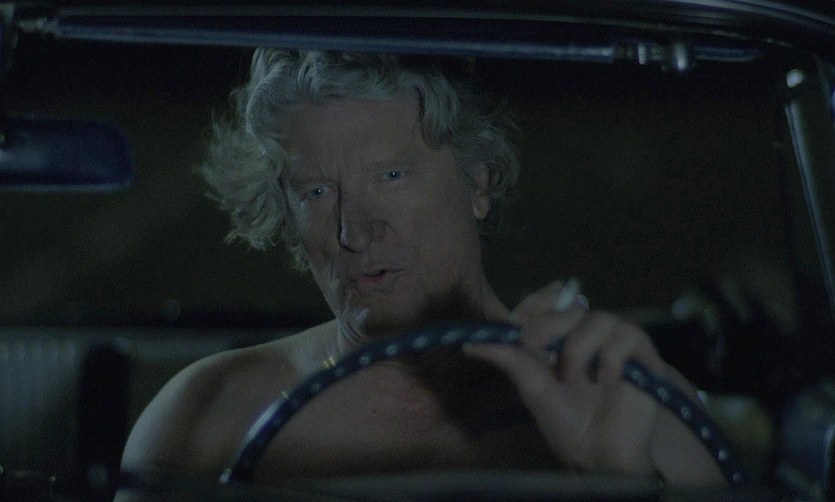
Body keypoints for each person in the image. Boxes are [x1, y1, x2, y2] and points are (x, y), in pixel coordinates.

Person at [120, 49, 725, 490]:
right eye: (316, 193)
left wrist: (615, 479)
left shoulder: (630, 403)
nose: (353, 233)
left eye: (391, 176)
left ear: (478, 182)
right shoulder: (208, 413)